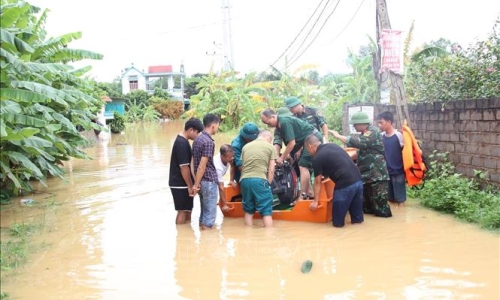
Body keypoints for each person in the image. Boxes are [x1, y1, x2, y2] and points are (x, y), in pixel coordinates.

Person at [330, 111, 392, 218]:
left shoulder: (373, 132)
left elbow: (359, 142)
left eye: (355, 124)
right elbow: (361, 152)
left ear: (362, 124)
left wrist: (338, 136)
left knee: (381, 210)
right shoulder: (366, 133)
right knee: (366, 209)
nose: (354, 127)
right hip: (366, 176)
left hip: (377, 176)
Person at [261, 108, 322, 200]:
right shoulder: (278, 127)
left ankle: (302, 195)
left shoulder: (285, 122)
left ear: (273, 117)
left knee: (302, 165)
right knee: (300, 164)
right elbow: (277, 142)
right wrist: (276, 157)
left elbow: (291, 143)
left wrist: (282, 157)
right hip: (304, 141)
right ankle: (310, 192)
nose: (269, 126)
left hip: (312, 138)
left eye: (268, 123)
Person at [305, 134, 364, 227]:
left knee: (337, 224)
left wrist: (315, 201)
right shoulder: (332, 146)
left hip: (345, 186)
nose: (308, 152)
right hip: (358, 181)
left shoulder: (317, 158)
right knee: (357, 221)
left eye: (307, 150)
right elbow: (336, 164)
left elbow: (317, 182)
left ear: (310, 146)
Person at [169, 117, 204, 224]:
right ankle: (180, 236)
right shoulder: (182, 143)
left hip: (183, 183)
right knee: (182, 212)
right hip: (180, 183)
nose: (197, 136)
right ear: (191, 130)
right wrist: (189, 186)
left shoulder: (183, 141)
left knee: (188, 210)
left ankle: (186, 236)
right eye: (197, 133)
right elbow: (184, 167)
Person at [240, 130, 277, 227]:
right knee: (266, 211)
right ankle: (269, 236)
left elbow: (243, 166)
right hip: (260, 180)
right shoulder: (270, 147)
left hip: (244, 180)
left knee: (248, 210)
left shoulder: (245, 147)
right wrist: (268, 183)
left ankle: (248, 235)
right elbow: (271, 169)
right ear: (268, 138)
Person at [193, 113, 221, 230]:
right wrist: (195, 184)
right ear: (213, 125)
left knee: (203, 215)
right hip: (208, 181)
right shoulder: (208, 142)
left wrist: (196, 182)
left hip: (201, 182)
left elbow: (193, 162)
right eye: (218, 125)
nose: (218, 128)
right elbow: (202, 166)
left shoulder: (197, 139)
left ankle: (201, 244)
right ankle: (207, 244)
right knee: (209, 218)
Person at [377, 111, 406, 205]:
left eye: (381, 122)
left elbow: (405, 151)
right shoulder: (381, 136)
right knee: (390, 199)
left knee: (400, 200)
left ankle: (402, 217)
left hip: (398, 171)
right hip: (386, 172)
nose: (379, 125)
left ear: (389, 122)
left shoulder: (399, 135)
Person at [213, 144, 235, 212]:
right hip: (210, 181)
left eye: (232, 156)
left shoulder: (228, 157)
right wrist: (224, 204)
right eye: (229, 157)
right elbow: (221, 187)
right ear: (222, 156)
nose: (232, 158)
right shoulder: (218, 167)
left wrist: (231, 180)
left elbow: (232, 165)